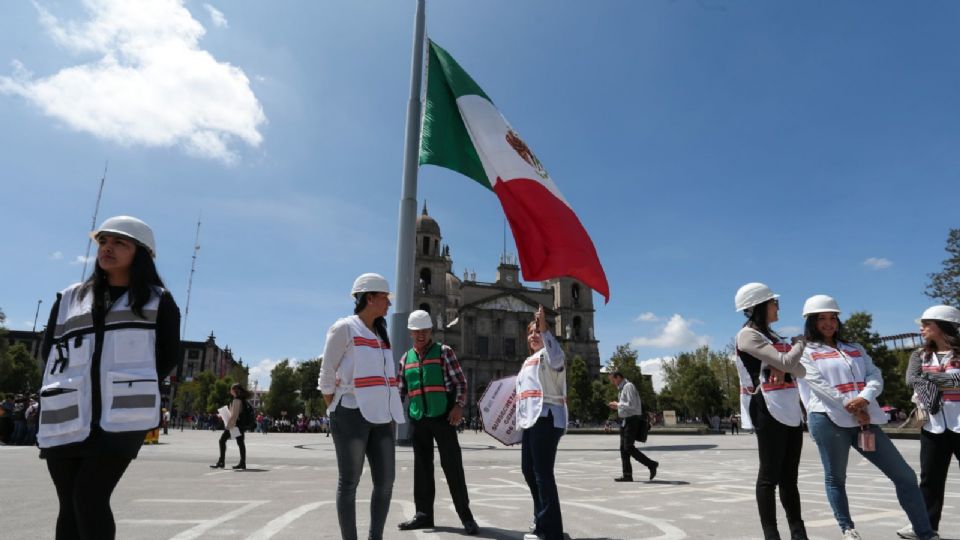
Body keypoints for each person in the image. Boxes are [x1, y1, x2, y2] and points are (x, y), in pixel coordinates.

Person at [37, 215, 180, 540]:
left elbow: (168, 356)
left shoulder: (158, 301)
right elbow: (49, 353)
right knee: (68, 503)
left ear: (140, 252)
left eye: (119, 243)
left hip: (122, 417)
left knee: (89, 497)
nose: (107, 248)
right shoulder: (69, 298)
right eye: (103, 241)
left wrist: (129, 381)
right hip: (67, 413)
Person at [799, 295, 938, 540]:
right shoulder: (805, 351)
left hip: (865, 419)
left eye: (833, 317)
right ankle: (847, 529)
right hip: (828, 419)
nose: (829, 323)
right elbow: (818, 384)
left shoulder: (854, 348)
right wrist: (850, 404)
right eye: (822, 318)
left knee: (904, 475)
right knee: (836, 477)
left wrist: (864, 397)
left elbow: (875, 375)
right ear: (811, 321)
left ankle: (924, 532)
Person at [319, 273, 405, 540]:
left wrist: (390, 413)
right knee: (349, 482)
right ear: (370, 298)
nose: (389, 304)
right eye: (385, 298)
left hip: (381, 417)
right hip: (350, 414)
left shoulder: (381, 335)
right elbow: (326, 374)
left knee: (386, 482)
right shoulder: (344, 327)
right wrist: (335, 407)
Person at [733, 283, 808, 540]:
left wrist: (785, 363)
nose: (778, 307)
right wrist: (800, 343)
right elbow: (788, 362)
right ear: (758, 307)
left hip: (789, 405)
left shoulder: (773, 338)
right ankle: (771, 534)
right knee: (769, 476)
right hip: (766, 407)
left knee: (790, 477)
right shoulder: (747, 335)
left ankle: (798, 533)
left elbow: (800, 370)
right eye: (773, 302)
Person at [396, 310, 479, 535]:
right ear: (411, 333)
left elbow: (460, 382)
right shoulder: (405, 359)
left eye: (424, 330)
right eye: (416, 331)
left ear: (431, 331)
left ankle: (466, 516)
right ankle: (423, 515)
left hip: (443, 417)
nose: (420, 335)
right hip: (419, 419)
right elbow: (400, 390)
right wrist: (390, 414)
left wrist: (459, 406)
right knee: (422, 469)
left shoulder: (444, 352)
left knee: (452, 466)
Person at [898, 305, 960, 539]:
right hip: (933, 425)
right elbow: (911, 380)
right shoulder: (919, 354)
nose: (921, 328)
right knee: (930, 479)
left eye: (927, 324)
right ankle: (925, 526)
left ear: (943, 326)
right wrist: (947, 380)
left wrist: (929, 378)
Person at [517, 306, 567, 540]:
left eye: (538, 331)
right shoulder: (528, 361)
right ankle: (541, 518)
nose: (534, 335)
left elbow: (556, 357)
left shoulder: (550, 355)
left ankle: (550, 530)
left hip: (547, 418)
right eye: (531, 332)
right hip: (531, 421)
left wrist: (545, 327)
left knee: (542, 473)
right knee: (529, 470)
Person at [607, 371, 658, 482]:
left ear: (619, 377)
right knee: (623, 449)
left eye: (613, 379)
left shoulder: (628, 386)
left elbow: (632, 405)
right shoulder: (622, 389)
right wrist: (618, 407)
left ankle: (651, 464)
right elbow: (626, 405)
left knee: (628, 447)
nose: (612, 382)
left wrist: (618, 404)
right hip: (626, 420)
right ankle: (627, 475)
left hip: (632, 420)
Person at [210, 384, 249, 470]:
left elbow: (234, 415)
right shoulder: (241, 400)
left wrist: (228, 426)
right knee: (240, 443)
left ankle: (221, 462)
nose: (230, 390)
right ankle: (242, 463)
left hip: (234, 425)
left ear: (234, 390)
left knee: (222, 440)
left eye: (231, 389)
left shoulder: (236, 400)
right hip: (239, 425)